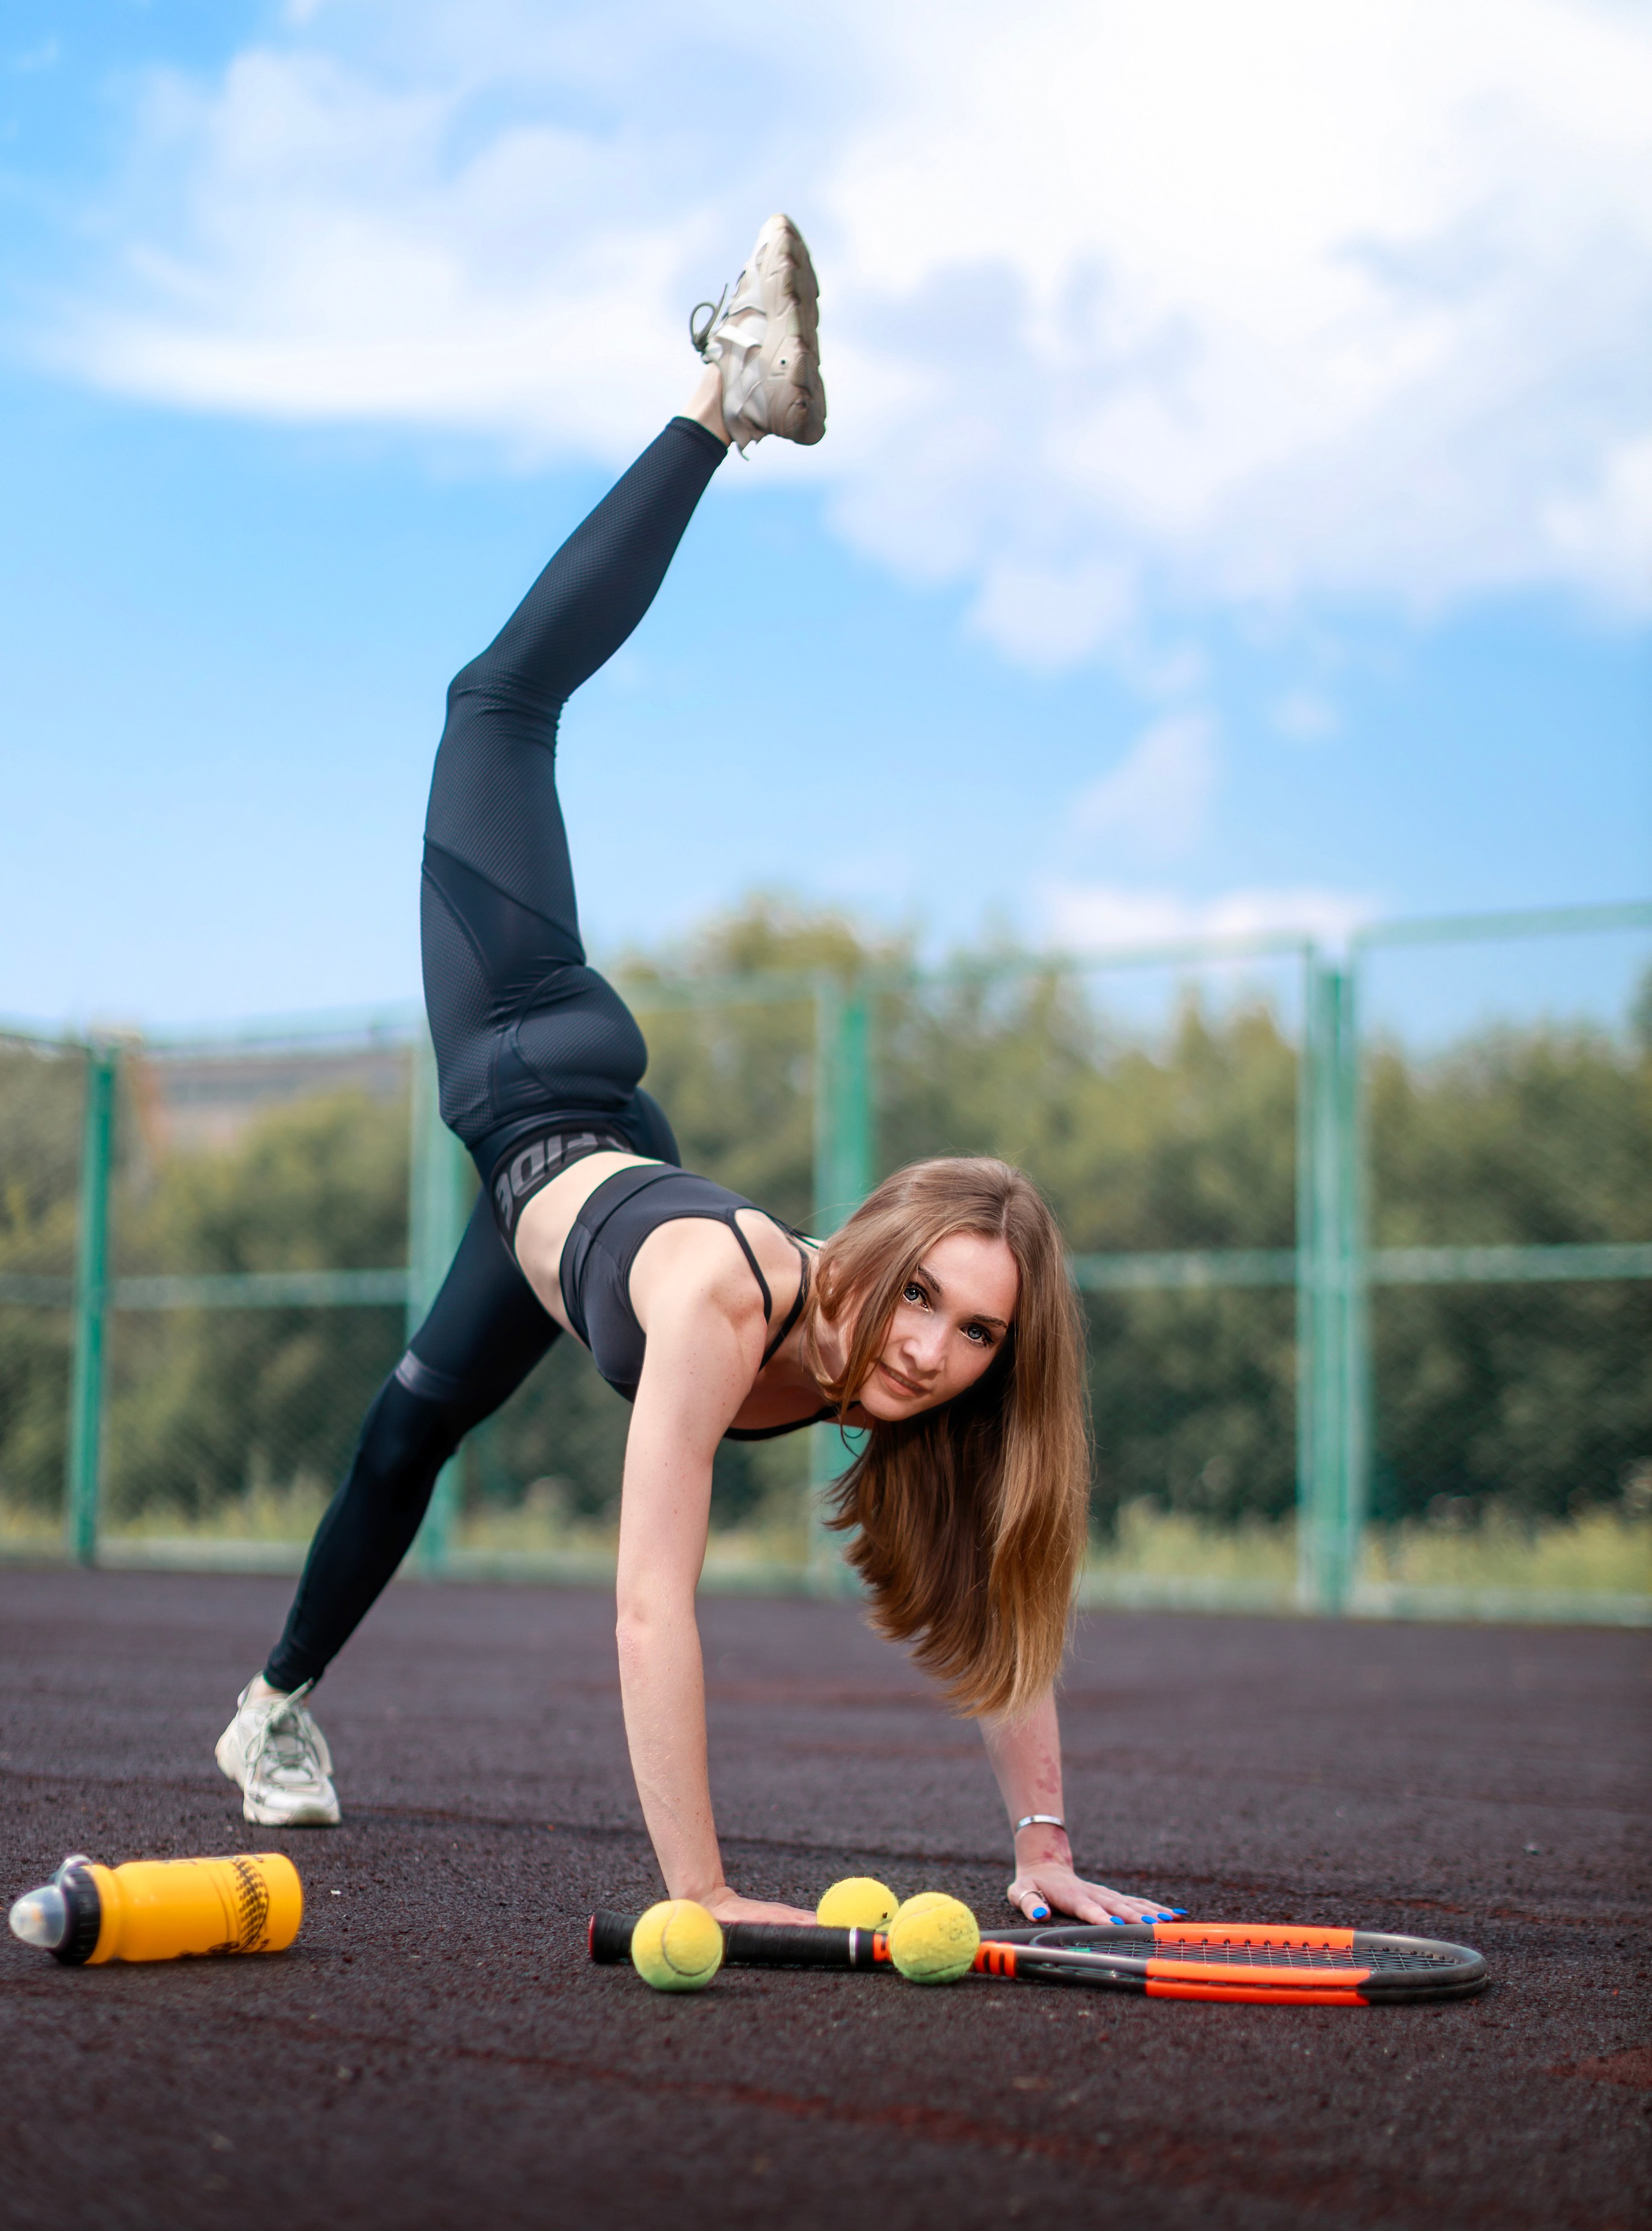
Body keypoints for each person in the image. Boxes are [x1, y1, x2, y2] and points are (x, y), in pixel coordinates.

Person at [213, 214, 1177, 1932]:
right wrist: (709, 1890)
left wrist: (1043, 1848)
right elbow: (650, 1604)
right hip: (534, 1078)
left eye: (976, 1339)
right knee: (493, 703)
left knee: (410, 1427)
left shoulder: (908, 1389)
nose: (936, 1354)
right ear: (876, 1254)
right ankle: (725, 400)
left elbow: (1001, 1600)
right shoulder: (733, 1306)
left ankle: (270, 1708)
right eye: (931, 1304)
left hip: (595, 1177)